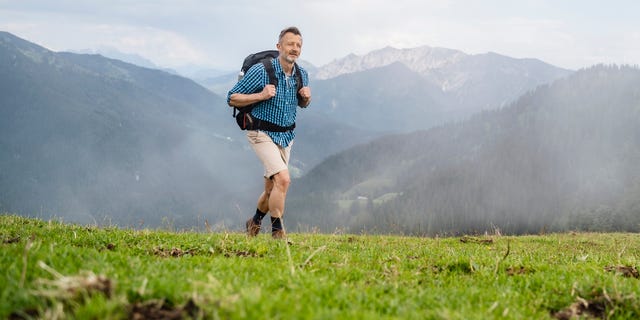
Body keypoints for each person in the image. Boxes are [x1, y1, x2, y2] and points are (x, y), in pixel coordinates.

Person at [227, 26, 311, 239]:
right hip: (260, 132)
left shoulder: (302, 74)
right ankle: (278, 233)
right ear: (279, 46)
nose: (294, 48)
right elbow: (232, 98)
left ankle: (254, 222)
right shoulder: (261, 71)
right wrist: (261, 95)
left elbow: (302, 104)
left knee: (271, 189)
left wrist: (306, 98)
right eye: (290, 44)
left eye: (298, 45)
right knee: (283, 180)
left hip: (286, 137)